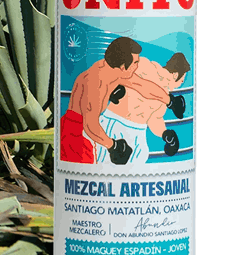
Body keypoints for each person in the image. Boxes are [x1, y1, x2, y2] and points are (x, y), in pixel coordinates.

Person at [59, 37, 167, 165]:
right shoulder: (95, 82)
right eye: (135, 63)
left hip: (86, 134)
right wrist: (113, 146)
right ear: (122, 66)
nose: (137, 67)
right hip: (75, 136)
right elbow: (90, 125)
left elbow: (142, 85)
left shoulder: (114, 73)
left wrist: (169, 100)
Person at [101, 52, 190, 161]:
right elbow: (121, 71)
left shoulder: (165, 97)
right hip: (115, 121)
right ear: (175, 75)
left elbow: (154, 119)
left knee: (140, 159)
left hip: (138, 131)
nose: (180, 85)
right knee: (104, 162)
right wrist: (114, 87)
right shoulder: (146, 66)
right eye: (181, 81)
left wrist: (165, 134)